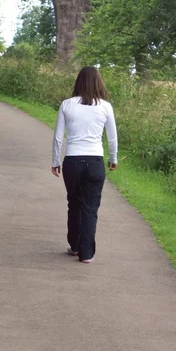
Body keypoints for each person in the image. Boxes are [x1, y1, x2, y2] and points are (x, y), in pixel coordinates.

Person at [52, 66, 118, 264]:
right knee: (90, 207)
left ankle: (74, 244)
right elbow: (112, 138)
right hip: (95, 161)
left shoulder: (67, 105)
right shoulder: (105, 107)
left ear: (78, 82)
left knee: (74, 203)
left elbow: (58, 137)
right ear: (99, 82)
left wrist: (56, 160)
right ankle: (86, 253)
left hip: (72, 160)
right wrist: (113, 158)